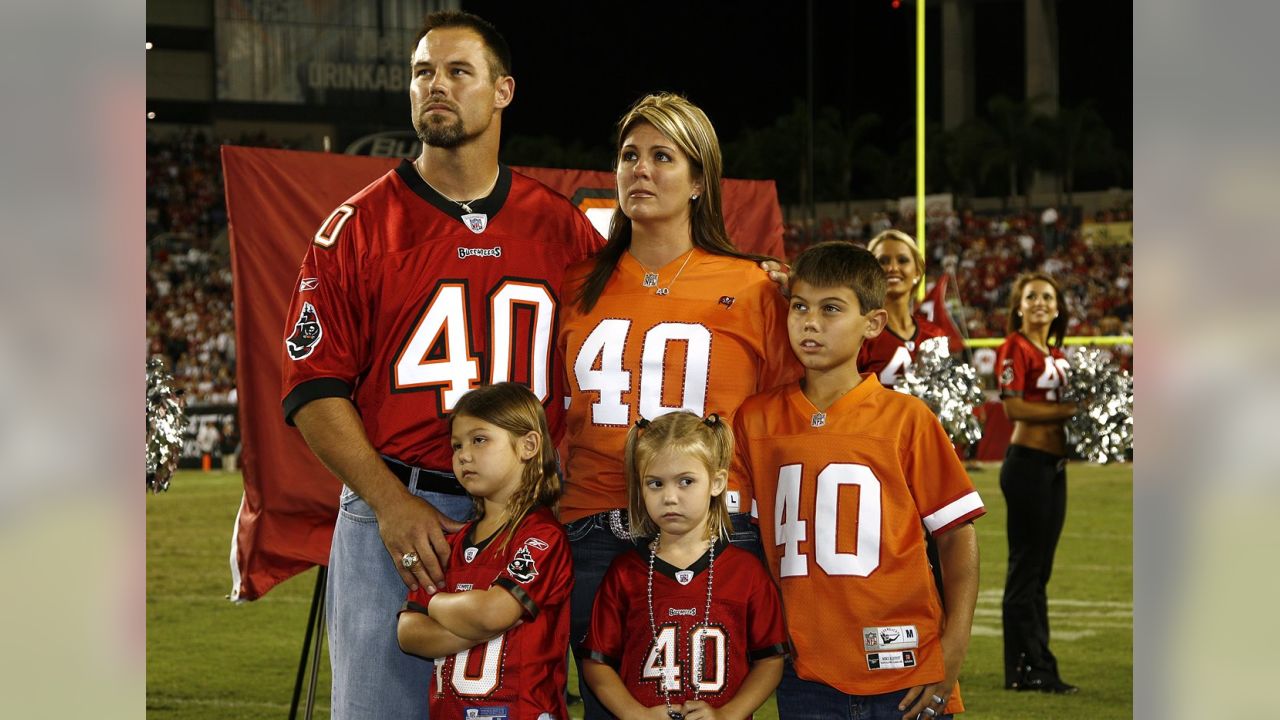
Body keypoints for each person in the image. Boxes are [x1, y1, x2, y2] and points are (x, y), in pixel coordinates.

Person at [278, 11, 602, 718]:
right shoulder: (357, 228)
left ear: (503, 91)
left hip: (523, 521)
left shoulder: (561, 227)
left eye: (459, 71)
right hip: (396, 510)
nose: (436, 86)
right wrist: (391, 504)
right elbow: (313, 386)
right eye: (423, 72)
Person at [557, 92, 798, 718]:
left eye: (662, 156)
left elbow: (795, 412)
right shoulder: (574, 282)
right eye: (629, 155)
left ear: (699, 181)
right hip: (594, 525)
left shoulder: (754, 286)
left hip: (713, 531)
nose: (640, 169)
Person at [734, 241, 984, 720]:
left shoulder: (907, 418)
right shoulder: (755, 419)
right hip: (805, 671)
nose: (810, 322)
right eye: (800, 306)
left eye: (831, 309)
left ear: (873, 323)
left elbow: (956, 536)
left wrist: (952, 648)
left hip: (905, 666)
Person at [579, 412, 787, 720]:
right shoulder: (625, 573)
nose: (670, 497)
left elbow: (770, 661)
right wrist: (637, 715)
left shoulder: (746, 573)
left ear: (717, 482)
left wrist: (727, 715)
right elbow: (597, 663)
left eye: (686, 481)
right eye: (655, 483)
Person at [397, 383, 572, 719]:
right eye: (457, 445)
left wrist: (434, 603)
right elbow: (409, 633)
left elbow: (492, 613)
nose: (463, 454)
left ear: (528, 445)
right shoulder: (452, 543)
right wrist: (475, 622)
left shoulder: (541, 538)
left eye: (479, 439)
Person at [995, 272, 1080, 694]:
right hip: (1027, 464)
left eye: (1048, 296)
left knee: (1039, 571)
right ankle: (1024, 668)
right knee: (1026, 569)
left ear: (1059, 307)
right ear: (1019, 307)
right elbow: (1013, 408)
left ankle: (1039, 662)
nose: (1041, 302)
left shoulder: (1059, 352)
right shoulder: (1015, 346)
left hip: (1054, 467)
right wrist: (1072, 411)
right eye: (1032, 296)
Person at [858, 229, 948, 389]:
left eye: (903, 260)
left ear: (917, 272)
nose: (892, 268)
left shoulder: (934, 335)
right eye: (883, 261)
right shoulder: (860, 335)